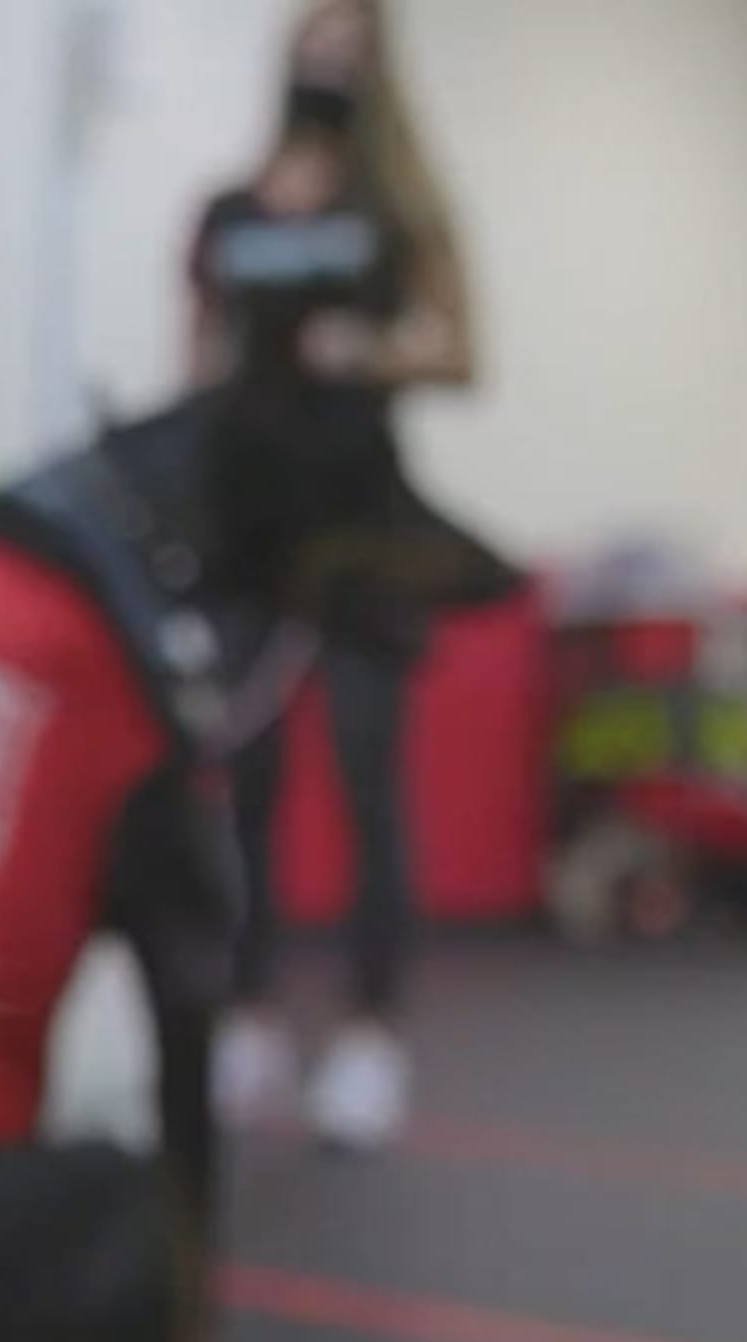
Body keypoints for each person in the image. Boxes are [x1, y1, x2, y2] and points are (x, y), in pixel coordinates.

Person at [181, 0, 518, 1153]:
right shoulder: (226, 210)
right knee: (247, 790)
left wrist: (369, 350)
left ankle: (373, 1038)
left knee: (368, 783)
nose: (326, 59)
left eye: (347, 43)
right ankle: (253, 1015)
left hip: (363, 534)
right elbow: (198, 357)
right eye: (311, 39)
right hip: (248, 537)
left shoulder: (397, 211)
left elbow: (466, 351)